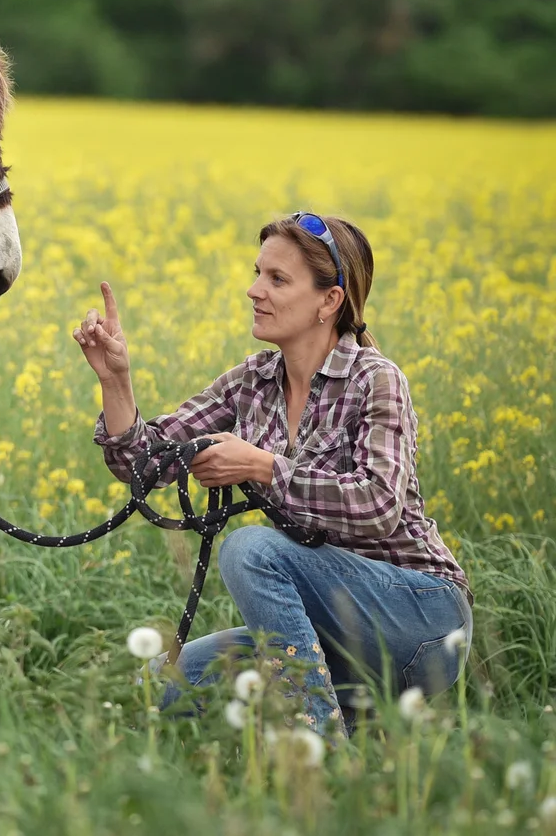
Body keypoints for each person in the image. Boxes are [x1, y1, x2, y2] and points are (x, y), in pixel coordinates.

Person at [73, 213, 470, 733]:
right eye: (258, 273)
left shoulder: (376, 379)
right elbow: (142, 463)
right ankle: (350, 719)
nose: (254, 290)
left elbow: (378, 505)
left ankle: (320, 747)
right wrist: (115, 380)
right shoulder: (253, 381)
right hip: (329, 633)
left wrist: (262, 466)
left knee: (250, 550)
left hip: (423, 622)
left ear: (329, 301)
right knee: (160, 685)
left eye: (277, 279)